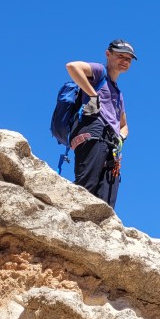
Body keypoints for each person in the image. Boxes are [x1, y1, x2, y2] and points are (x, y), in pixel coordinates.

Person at [65, 39, 136, 207]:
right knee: (87, 185)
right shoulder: (99, 72)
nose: (124, 61)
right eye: (120, 56)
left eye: (128, 59)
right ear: (108, 54)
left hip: (111, 142)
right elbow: (72, 66)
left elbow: (124, 125)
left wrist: (121, 138)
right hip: (94, 130)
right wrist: (93, 95)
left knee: (107, 198)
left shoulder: (118, 94)